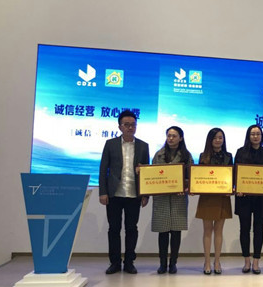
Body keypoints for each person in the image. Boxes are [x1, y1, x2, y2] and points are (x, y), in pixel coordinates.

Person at [98, 110, 150, 274]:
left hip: (134, 194)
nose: (130, 128)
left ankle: (129, 262)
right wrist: (103, 192)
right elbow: (103, 169)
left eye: (133, 124)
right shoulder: (110, 144)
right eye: (126, 125)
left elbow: (147, 172)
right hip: (114, 194)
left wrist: (145, 194)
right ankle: (114, 262)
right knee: (114, 229)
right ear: (120, 126)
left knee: (131, 229)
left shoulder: (143, 146)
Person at [150, 126, 193, 275]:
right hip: (161, 197)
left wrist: (186, 186)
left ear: (181, 138)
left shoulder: (186, 155)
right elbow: (151, 175)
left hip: (178, 198)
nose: (171, 138)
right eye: (169, 135)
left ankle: (173, 263)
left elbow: (191, 177)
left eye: (174, 136)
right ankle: (162, 263)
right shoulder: (158, 155)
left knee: (176, 231)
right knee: (162, 232)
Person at [234, 125, 263, 274]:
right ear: (248, 136)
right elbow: (236, 173)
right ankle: (246, 260)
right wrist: (238, 187)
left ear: (262, 136)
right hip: (244, 197)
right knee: (244, 229)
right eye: (252, 134)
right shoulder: (241, 152)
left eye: (258, 134)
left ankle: (256, 261)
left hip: (262, 198)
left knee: (259, 229)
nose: (255, 136)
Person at [195, 128, 233, 275]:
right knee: (207, 230)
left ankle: (217, 261)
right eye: (215, 138)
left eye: (220, 138)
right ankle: (207, 261)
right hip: (207, 197)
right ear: (210, 140)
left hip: (223, 197)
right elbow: (199, 177)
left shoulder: (228, 156)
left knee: (218, 230)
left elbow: (232, 176)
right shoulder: (203, 156)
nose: (218, 140)